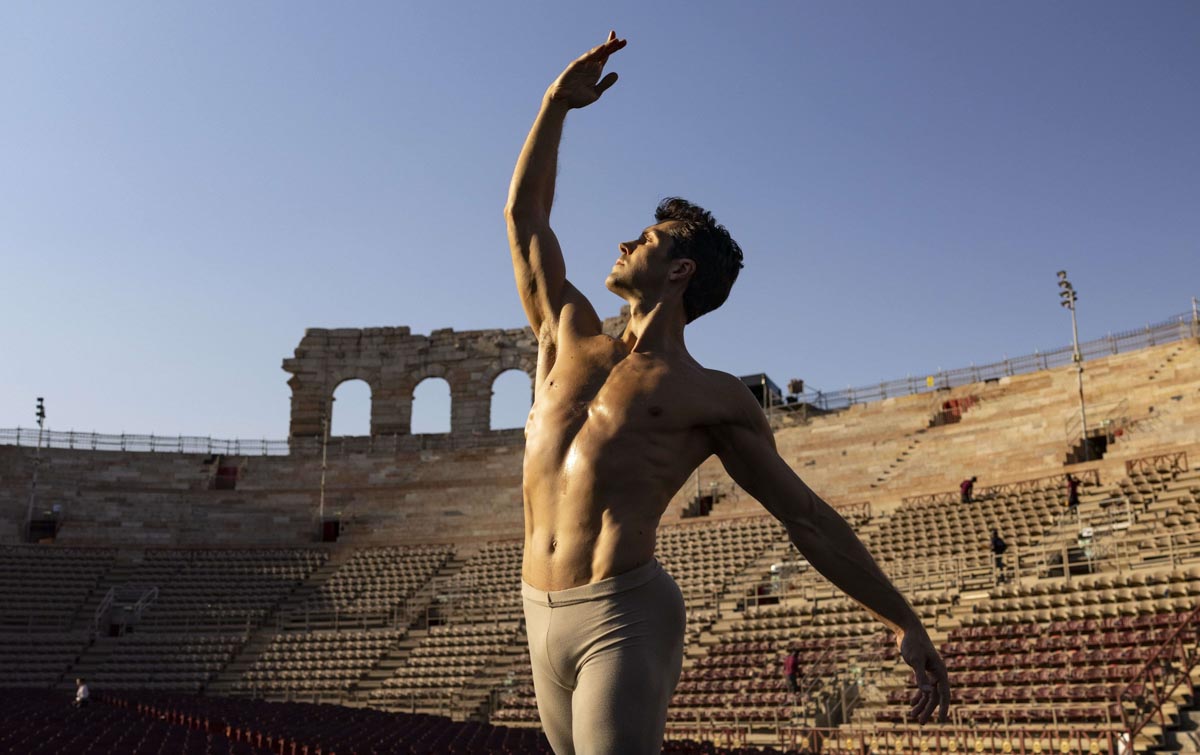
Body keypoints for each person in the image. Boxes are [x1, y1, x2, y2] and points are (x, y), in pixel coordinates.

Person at [505, 31, 950, 755]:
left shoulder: (709, 396)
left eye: (648, 237)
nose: (626, 241)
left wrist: (903, 617)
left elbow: (805, 516)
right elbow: (525, 220)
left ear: (680, 272)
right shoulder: (565, 330)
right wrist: (556, 106)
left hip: (623, 614)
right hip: (535, 609)